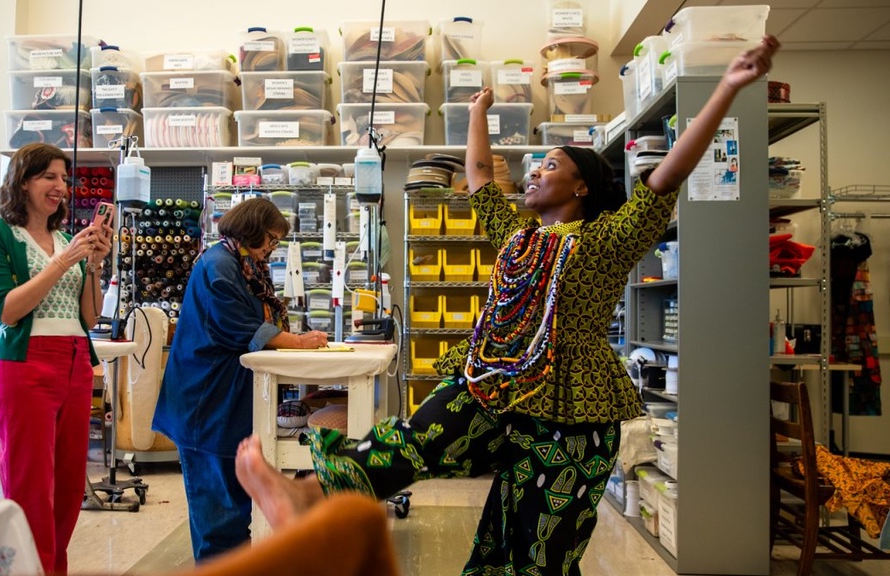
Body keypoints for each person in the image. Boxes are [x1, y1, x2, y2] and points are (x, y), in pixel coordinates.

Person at [235, 36, 781, 575]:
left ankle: (328, 496)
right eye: (535, 165)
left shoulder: (608, 239)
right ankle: (321, 494)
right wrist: (477, 111)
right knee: (424, 436)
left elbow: (668, 178)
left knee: (533, 550)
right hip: (500, 380)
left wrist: (728, 86)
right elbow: (478, 178)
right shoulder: (518, 235)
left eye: (551, 164)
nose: (535, 171)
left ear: (583, 187)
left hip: (576, 410)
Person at [152, 197, 330, 562]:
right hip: (207, 401)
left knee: (231, 504)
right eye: (272, 238)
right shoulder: (220, 266)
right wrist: (297, 342)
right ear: (252, 229)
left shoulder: (244, 265)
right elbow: (240, 326)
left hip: (225, 400)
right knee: (218, 511)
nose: (273, 248)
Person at [0, 142, 112, 575]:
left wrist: (93, 268)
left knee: (70, 485)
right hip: (23, 364)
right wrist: (62, 260)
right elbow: (6, 309)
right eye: (49, 177)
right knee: (30, 483)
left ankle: (51, 569)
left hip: (73, 362)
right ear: (23, 181)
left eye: (64, 179)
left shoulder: (67, 240)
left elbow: (88, 316)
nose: (60, 187)